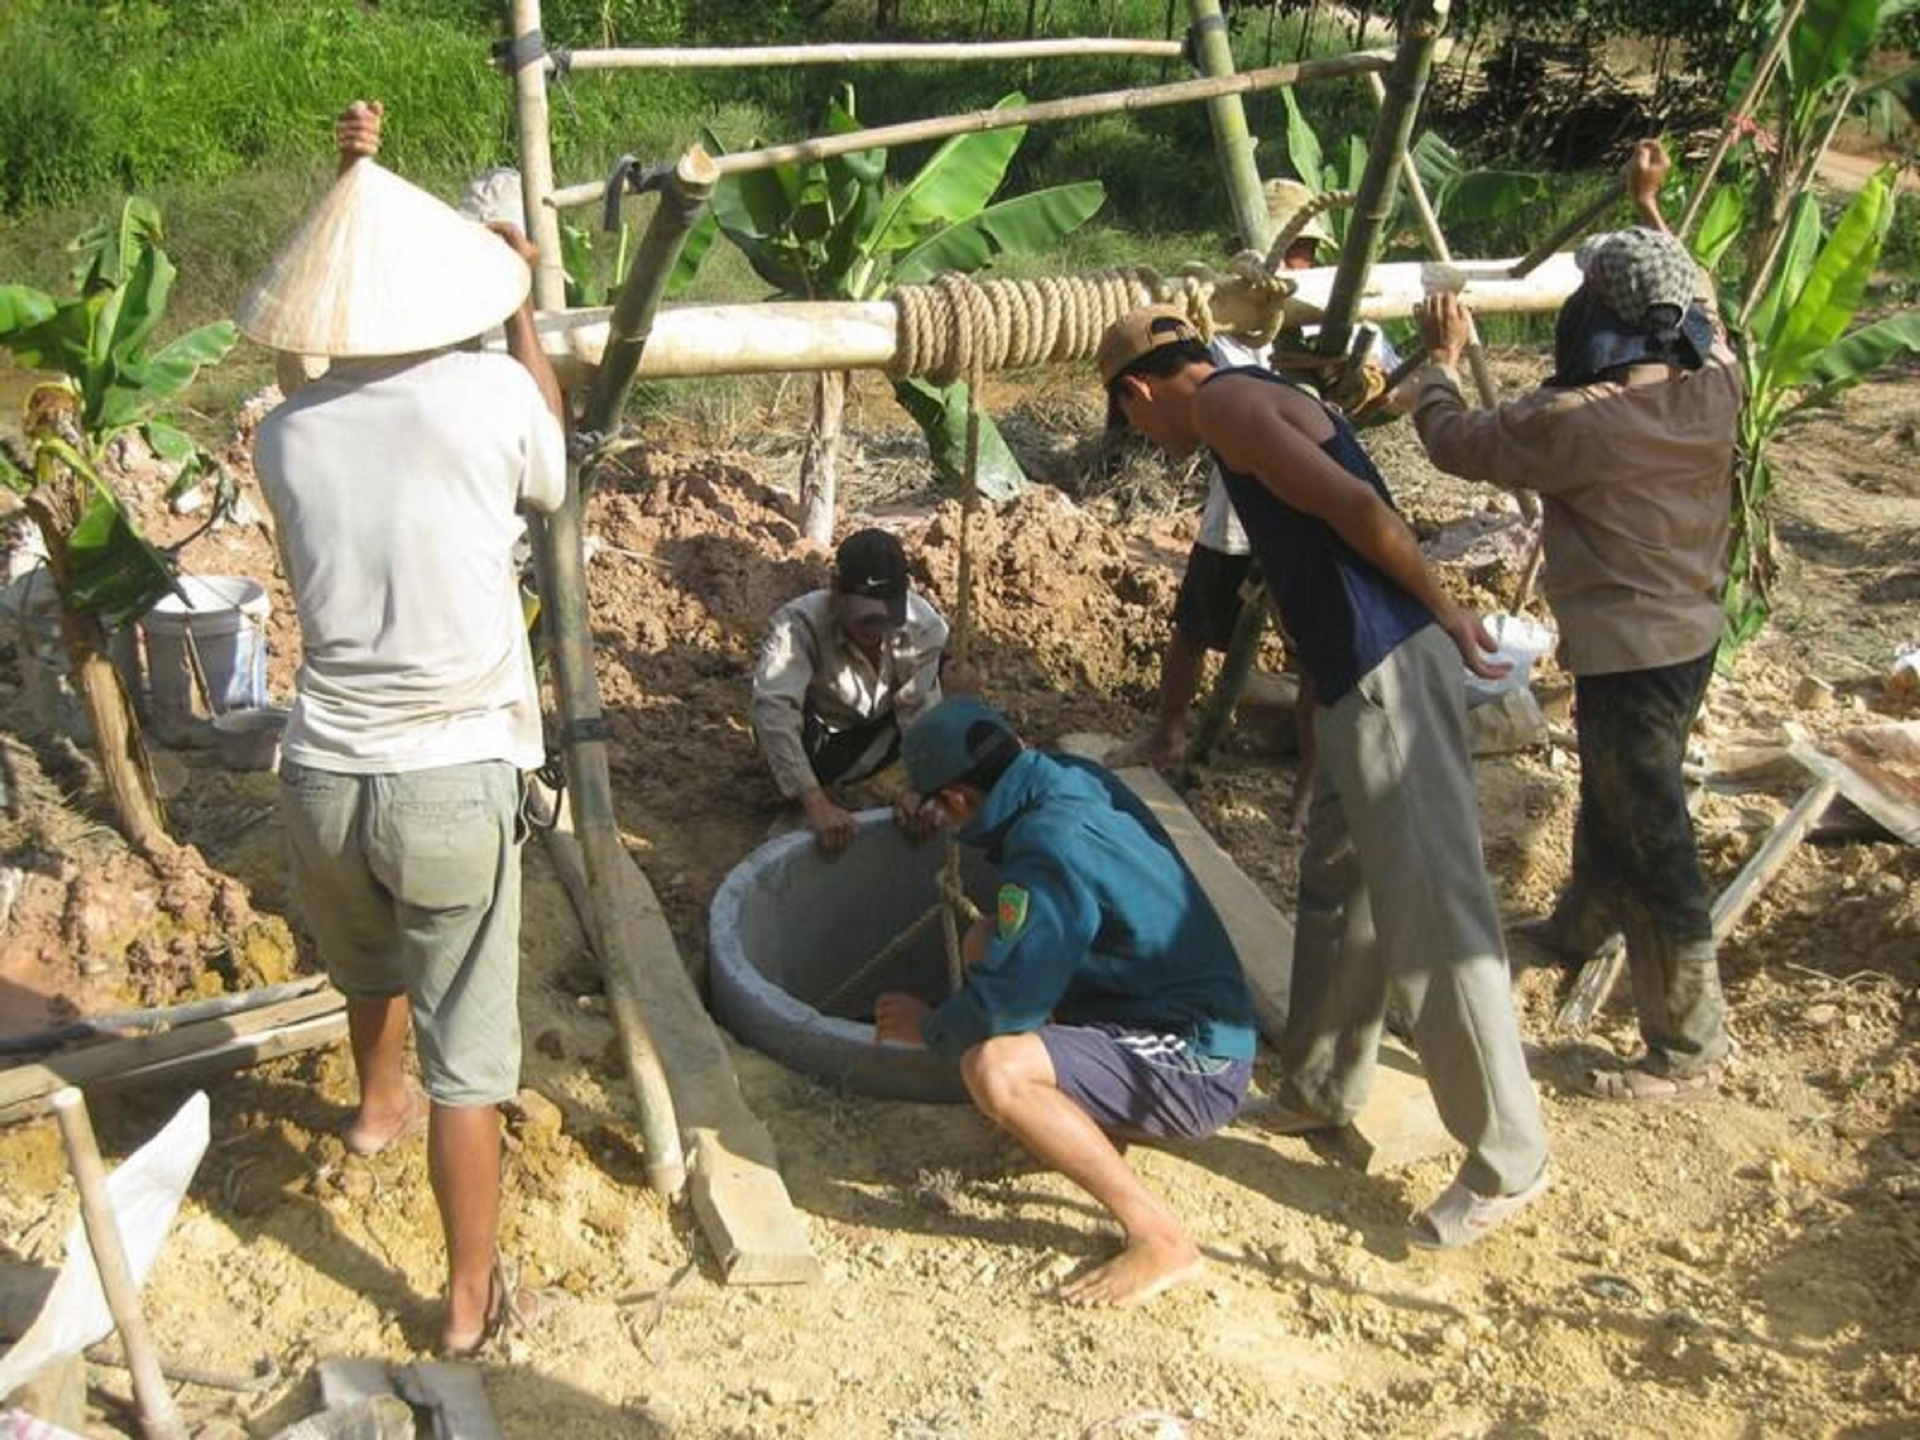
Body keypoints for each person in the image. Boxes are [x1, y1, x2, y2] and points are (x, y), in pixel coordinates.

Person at [1097, 304, 1551, 1249]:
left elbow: (1357, 510)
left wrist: (1449, 612)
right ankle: (1319, 1084)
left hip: (1389, 665)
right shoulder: (1250, 398)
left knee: (1434, 909)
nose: (1143, 436)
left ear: (1140, 392)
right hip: (1355, 674)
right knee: (1341, 887)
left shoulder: (1223, 408)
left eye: (1131, 420)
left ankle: (1510, 1156)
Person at [241, 100, 565, 1355]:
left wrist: (352, 179)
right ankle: (470, 1299)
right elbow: (552, 454)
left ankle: (374, 1109)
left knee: (364, 955)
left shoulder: (285, 435)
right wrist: (526, 305)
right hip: (449, 774)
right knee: (471, 1061)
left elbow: (310, 371)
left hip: (323, 772)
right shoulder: (489, 400)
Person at [1410, 139, 1741, 1102]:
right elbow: (1702, 296)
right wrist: (1650, 209)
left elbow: (1453, 440)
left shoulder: (1577, 423)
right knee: (1618, 794)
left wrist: (1437, 363)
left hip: (1630, 658)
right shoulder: (1716, 377)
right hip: (1691, 642)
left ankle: (1688, 1048)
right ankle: (1574, 929)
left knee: (1655, 836)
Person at [873, 697, 1257, 1306]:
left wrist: (934, 1028)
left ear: (957, 801)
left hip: (1196, 1059)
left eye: (937, 810)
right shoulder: (1072, 777)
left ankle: (1160, 1239)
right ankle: (1094, 1122)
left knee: (993, 1070)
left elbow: (1008, 1004)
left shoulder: (1048, 846)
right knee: (985, 939)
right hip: (1160, 1004)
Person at [1107, 179, 1337, 809]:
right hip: (1237, 508)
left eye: (1306, 255)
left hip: (1304, 501)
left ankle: (1313, 779)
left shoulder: (1337, 309)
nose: (1300, 265)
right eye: (1296, 252)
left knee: (1311, 644)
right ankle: (1169, 731)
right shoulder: (1219, 318)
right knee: (1195, 622)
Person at [751, 527, 949, 855]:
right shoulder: (797, 626)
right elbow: (774, 712)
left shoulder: (924, 626)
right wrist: (815, 802)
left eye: (887, 620)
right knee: (776, 708)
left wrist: (923, 786)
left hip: (882, 733)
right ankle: (810, 794)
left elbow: (920, 708)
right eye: (865, 621)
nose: (876, 632)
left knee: (950, 683)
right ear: (835, 590)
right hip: (823, 741)